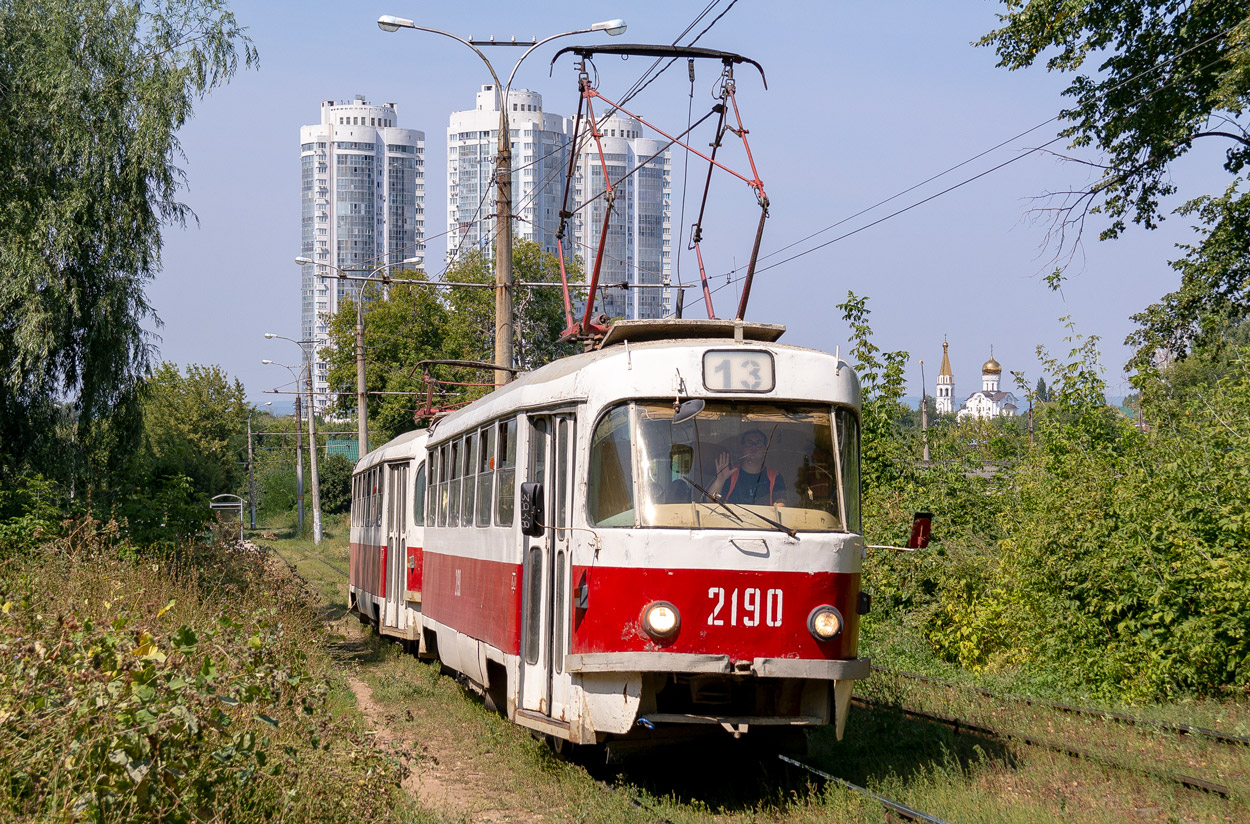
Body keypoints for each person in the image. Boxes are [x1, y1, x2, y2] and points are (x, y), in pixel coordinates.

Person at [705, 429, 788, 506]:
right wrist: (720, 480)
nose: (754, 447)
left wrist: (780, 504)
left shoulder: (774, 476)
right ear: (742, 447)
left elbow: (781, 503)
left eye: (759, 444)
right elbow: (709, 501)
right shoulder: (730, 473)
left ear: (765, 449)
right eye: (749, 443)